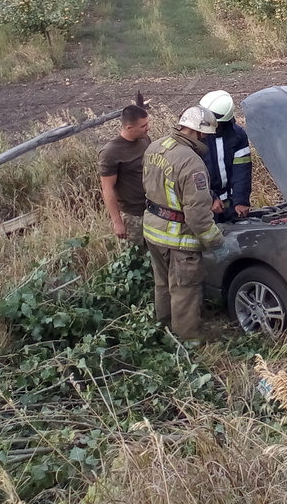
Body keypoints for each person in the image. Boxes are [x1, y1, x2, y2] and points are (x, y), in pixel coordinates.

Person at [142, 105, 225, 342]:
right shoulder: (191, 163)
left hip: (153, 230)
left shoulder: (155, 147)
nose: (206, 140)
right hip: (177, 238)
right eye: (205, 135)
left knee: (162, 284)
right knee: (184, 290)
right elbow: (197, 214)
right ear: (198, 132)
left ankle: (164, 329)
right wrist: (215, 241)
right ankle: (187, 341)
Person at [98, 103, 151, 248]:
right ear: (129, 128)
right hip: (132, 215)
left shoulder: (145, 140)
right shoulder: (110, 153)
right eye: (143, 126)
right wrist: (117, 222)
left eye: (147, 123)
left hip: (151, 210)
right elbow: (107, 188)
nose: (148, 128)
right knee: (135, 256)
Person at [198, 90, 253, 221]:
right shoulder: (197, 136)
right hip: (202, 204)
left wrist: (240, 200)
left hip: (228, 205)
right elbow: (192, 174)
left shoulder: (238, 136)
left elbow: (242, 170)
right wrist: (211, 198)